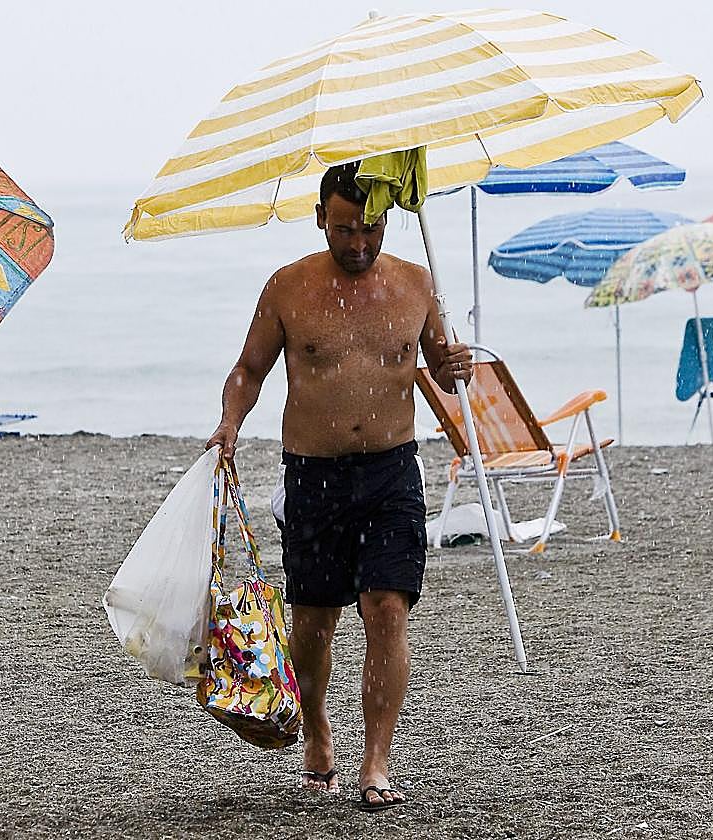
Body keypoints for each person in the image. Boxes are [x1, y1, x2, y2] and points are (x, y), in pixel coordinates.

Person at [205, 162, 472, 811]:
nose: (359, 243)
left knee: (387, 611)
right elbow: (248, 370)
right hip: (313, 475)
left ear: (388, 220)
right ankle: (318, 727)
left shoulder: (416, 283)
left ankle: (376, 763)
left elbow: (439, 369)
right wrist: (230, 422)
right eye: (345, 229)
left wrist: (453, 364)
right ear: (321, 217)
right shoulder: (289, 287)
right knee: (314, 624)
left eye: (371, 228)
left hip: (391, 471)